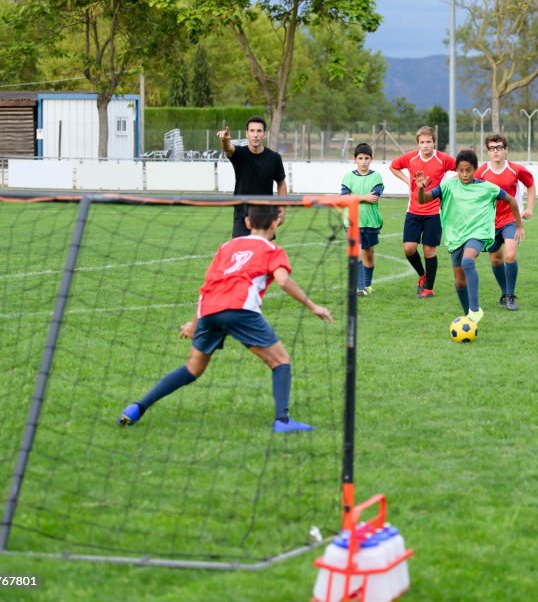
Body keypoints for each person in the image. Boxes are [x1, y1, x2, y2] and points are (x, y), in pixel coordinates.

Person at [117, 205, 333, 433]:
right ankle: (283, 421)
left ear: (247, 223)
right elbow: (282, 280)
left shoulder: (227, 247)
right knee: (280, 361)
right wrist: (312, 306)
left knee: (192, 369)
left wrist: (194, 323)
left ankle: (136, 407)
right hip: (240, 309)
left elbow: (206, 287)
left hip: (209, 309)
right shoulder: (272, 250)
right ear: (275, 222)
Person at [415, 149, 523, 323]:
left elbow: (511, 200)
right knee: (459, 282)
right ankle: (469, 318)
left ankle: (474, 309)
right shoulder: (448, 185)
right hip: (456, 236)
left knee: (467, 261)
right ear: (456, 170)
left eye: (468, 170)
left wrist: (518, 224)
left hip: (478, 234)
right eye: (461, 170)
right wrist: (420, 189)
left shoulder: (487, 188)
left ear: (475, 169)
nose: (464, 175)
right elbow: (423, 199)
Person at [389, 126, 456, 298]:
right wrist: (408, 181)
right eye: (422, 142)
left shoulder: (443, 159)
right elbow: (393, 166)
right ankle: (421, 274)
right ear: (418, 144)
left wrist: (447, 186)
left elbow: (464, 169)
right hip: (413, 210)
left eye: (429, 142)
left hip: (434, 212)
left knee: (429, 251)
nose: (425, 145)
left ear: (434, 142)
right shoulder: (411, 158)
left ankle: (429, 288)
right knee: (409, 249)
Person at [475, 134, 536, 311]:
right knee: (496, 259)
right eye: (492, 148)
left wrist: (530, 208)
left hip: (511, 219)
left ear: (506, 150)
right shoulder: (482, 172)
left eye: (499, 147)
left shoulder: (516, 169)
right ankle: (504, 292)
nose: (496, 151)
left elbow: (531, 185)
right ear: (487, 151)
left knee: (509, 255)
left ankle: (510, 295)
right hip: (489, 222)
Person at [218, 116, 287, 238]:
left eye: (259, 131)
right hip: (242, 215)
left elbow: (281, 183)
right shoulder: (239, 154)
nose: (255, 134)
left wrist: (281, 210)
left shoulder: (274, 158)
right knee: (242, 254)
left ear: (264, 134)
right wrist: (224, 141)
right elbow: (228, 148)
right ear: (247, 134)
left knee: (262, 255)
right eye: (252, 131)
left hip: (265, 215)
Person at [341, 143, 384, 296]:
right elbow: (345, 198)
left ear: (371, 159)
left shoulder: (376, 176)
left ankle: (367, 284)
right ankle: (360, 288)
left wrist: (356, 197)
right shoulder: (348, 177)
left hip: (370, 222)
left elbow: (374, 197)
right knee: (357, 253)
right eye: (360, 158)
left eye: (367, 158)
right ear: (355, 160)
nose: (364, 161)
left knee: (369, 254)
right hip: (351, 222)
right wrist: (363, 197)